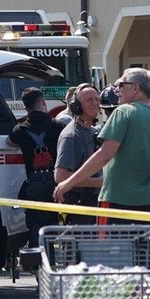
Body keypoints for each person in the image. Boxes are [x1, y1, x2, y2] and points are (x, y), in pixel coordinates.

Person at [53, 67, 150, 221]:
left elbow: (104, 155)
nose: (118, 90)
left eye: (121, 86)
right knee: (149, 246)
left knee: (113, 246)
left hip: (117, 205)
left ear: (135, 88)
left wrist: (69, 183)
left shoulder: (123, 112)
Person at [8, 87, 63, 246]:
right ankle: (50, 261)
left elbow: (8, 142)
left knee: (35, 224)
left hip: (33, 184)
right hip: (55, 183)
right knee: (52, 224)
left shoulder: (19, 130)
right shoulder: (58, 126)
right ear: (43, 102)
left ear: (25, 108)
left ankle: (35, 263)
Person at [54, 83, 102, 225]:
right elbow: (60, 176)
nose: (94, 103)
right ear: (76, 106)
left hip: (92, 206)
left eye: (96, 99)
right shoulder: (72, 136)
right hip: (80, 207)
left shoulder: (94, 132)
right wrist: (99, 183)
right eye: (89, 100)